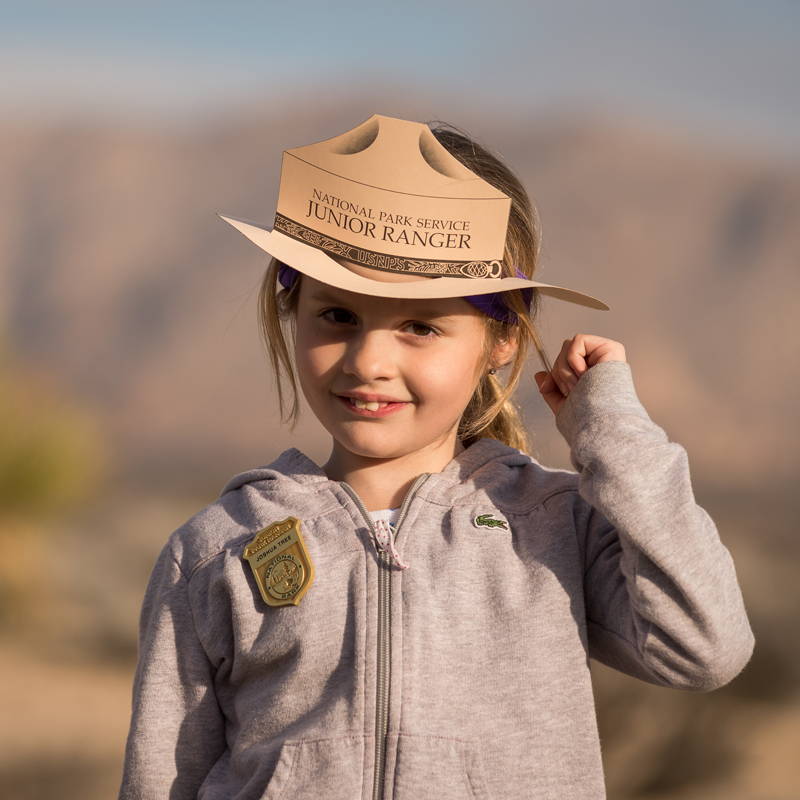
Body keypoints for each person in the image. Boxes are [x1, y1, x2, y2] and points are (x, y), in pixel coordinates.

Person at [117, 113, 755, 800]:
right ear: (291, 311)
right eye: (337, 315)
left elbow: (706, 648)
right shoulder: (218, 548)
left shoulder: (554, 527)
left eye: (421, 325)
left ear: (502, 338)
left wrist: (614, 433)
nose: (369, 361)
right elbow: (163, 779)